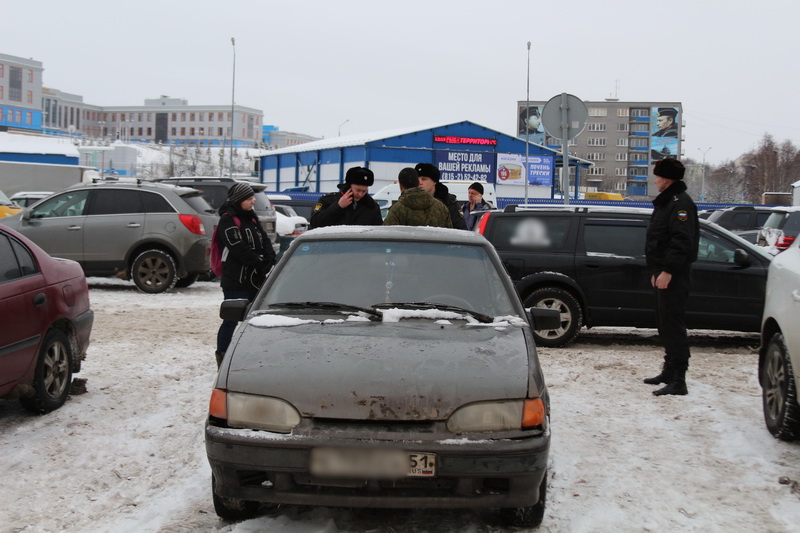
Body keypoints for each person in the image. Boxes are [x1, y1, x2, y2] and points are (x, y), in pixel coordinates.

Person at [643, 158, 699, 396]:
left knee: (673, 325)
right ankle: (668, 371)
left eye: (657, 176)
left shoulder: (680, 204)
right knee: (665, 323)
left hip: (674, 274)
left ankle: (679, 379)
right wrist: (657, 271)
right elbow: (660, 241)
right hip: (663, 272)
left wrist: (667, 271)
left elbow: (681, 242)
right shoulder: (667, 202)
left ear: (665, 179)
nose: (655, 180)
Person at [215, 182, 276, 368]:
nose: (253, 201)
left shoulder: (252, 218)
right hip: (236, 280)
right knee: (231, 320)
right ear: (239, 200)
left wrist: (269, 257)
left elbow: (264, 239)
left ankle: (251, 356)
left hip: (256, 279)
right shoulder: (227, 220)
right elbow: (237, 247)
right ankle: (223, 356)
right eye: (249, 198)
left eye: (252, 197)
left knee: (257, 319)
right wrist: (258, 263)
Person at [309, 166, 383, 229]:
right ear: (348, 186)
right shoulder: (328, 200)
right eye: (357, 190)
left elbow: (377, 232)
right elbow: (315, 223)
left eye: (364, 191)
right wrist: (338, 206)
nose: (360, 194)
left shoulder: (372, 207)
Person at [383, 167, 452, 228]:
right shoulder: (441, 208)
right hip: (436, 243)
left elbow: (387, 236)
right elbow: (450, 235)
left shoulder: (397, 209)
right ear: (418, 183)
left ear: (401, 186)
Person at [414, 163, 467, 230]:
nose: (420, 182)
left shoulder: (449, 203)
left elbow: (461, 229)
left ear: (434, 182)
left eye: (424, 179)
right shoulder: (411, 201)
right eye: (417, 179)